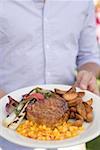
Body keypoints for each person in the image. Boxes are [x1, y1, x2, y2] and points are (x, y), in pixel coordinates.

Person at [0, 0, 100, 150]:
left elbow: (89, 56)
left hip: (71, 135)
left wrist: (88, 73)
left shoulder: (82, 2)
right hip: (9, 133)